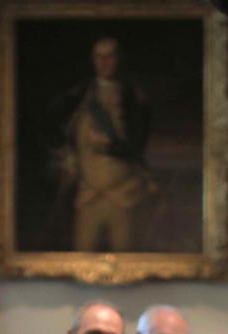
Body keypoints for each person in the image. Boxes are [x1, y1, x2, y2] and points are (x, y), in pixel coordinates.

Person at [49, 37, 155, 252]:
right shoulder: (79, 96)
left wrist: (110, 146)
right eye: (98, 57)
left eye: (109, 57)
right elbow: (56, 131)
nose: (103, 62)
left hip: (125, 195)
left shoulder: (135, 98)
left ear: (119, 60)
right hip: (88, 196)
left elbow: (136, 145)